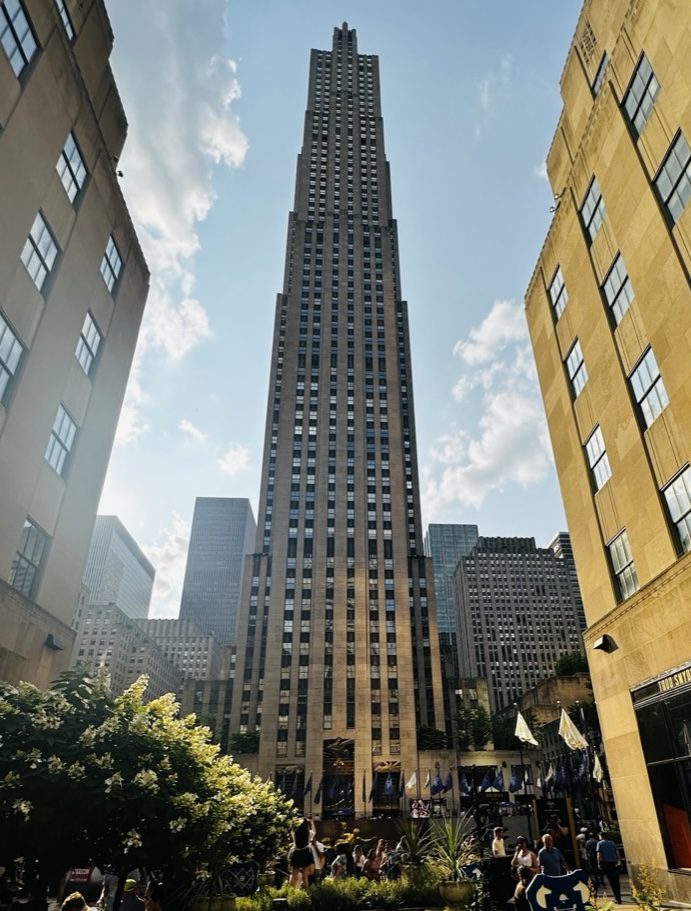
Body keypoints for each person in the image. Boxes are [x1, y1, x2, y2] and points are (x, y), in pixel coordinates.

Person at [289, 817, 316, 888]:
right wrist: (312, 823)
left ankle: (291, 891)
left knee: (294, 876)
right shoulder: (309, 833)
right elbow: (314, 832)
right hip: (306, 853)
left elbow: (292, 835)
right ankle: (306, 893)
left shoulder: (294, 832)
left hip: (296, 853)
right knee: (305, 876)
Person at [596, 835, 622, 903]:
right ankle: (619, 898)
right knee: (616, 881)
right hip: (615, 863)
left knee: (611, 881)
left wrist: (599, 864)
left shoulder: (600, 843)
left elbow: (599, 855)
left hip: (607, 863)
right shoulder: (612, 843)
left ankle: (617, 898)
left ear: (601, 836)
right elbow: (617, 853)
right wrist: (619, 861)